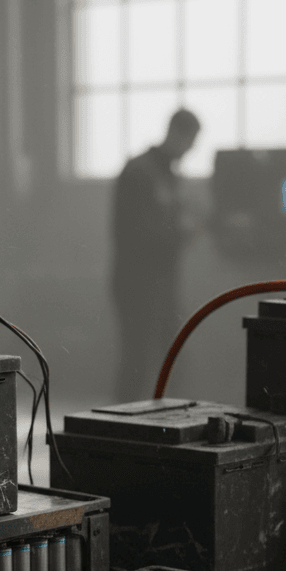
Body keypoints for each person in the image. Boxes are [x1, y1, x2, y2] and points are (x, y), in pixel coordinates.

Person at [110, 108, 200, 403]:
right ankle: (124, 423)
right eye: (190, 143)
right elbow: (136, 232)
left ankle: (160, 418)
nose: (189, 151)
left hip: (162, 285)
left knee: (169, 359)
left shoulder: (168, 176)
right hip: (137, 284)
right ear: (177, 134)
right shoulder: (140, 172)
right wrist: (179, 232)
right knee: (137, 362)